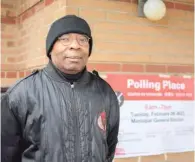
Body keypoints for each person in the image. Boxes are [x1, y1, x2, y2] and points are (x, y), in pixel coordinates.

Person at [1, 15, 120, 162]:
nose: (75, 45)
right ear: (51, 48)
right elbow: (5, 154)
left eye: (83, 39)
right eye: (65, 39)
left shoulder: (104, 91)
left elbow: (109, 147)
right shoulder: (21, 94)